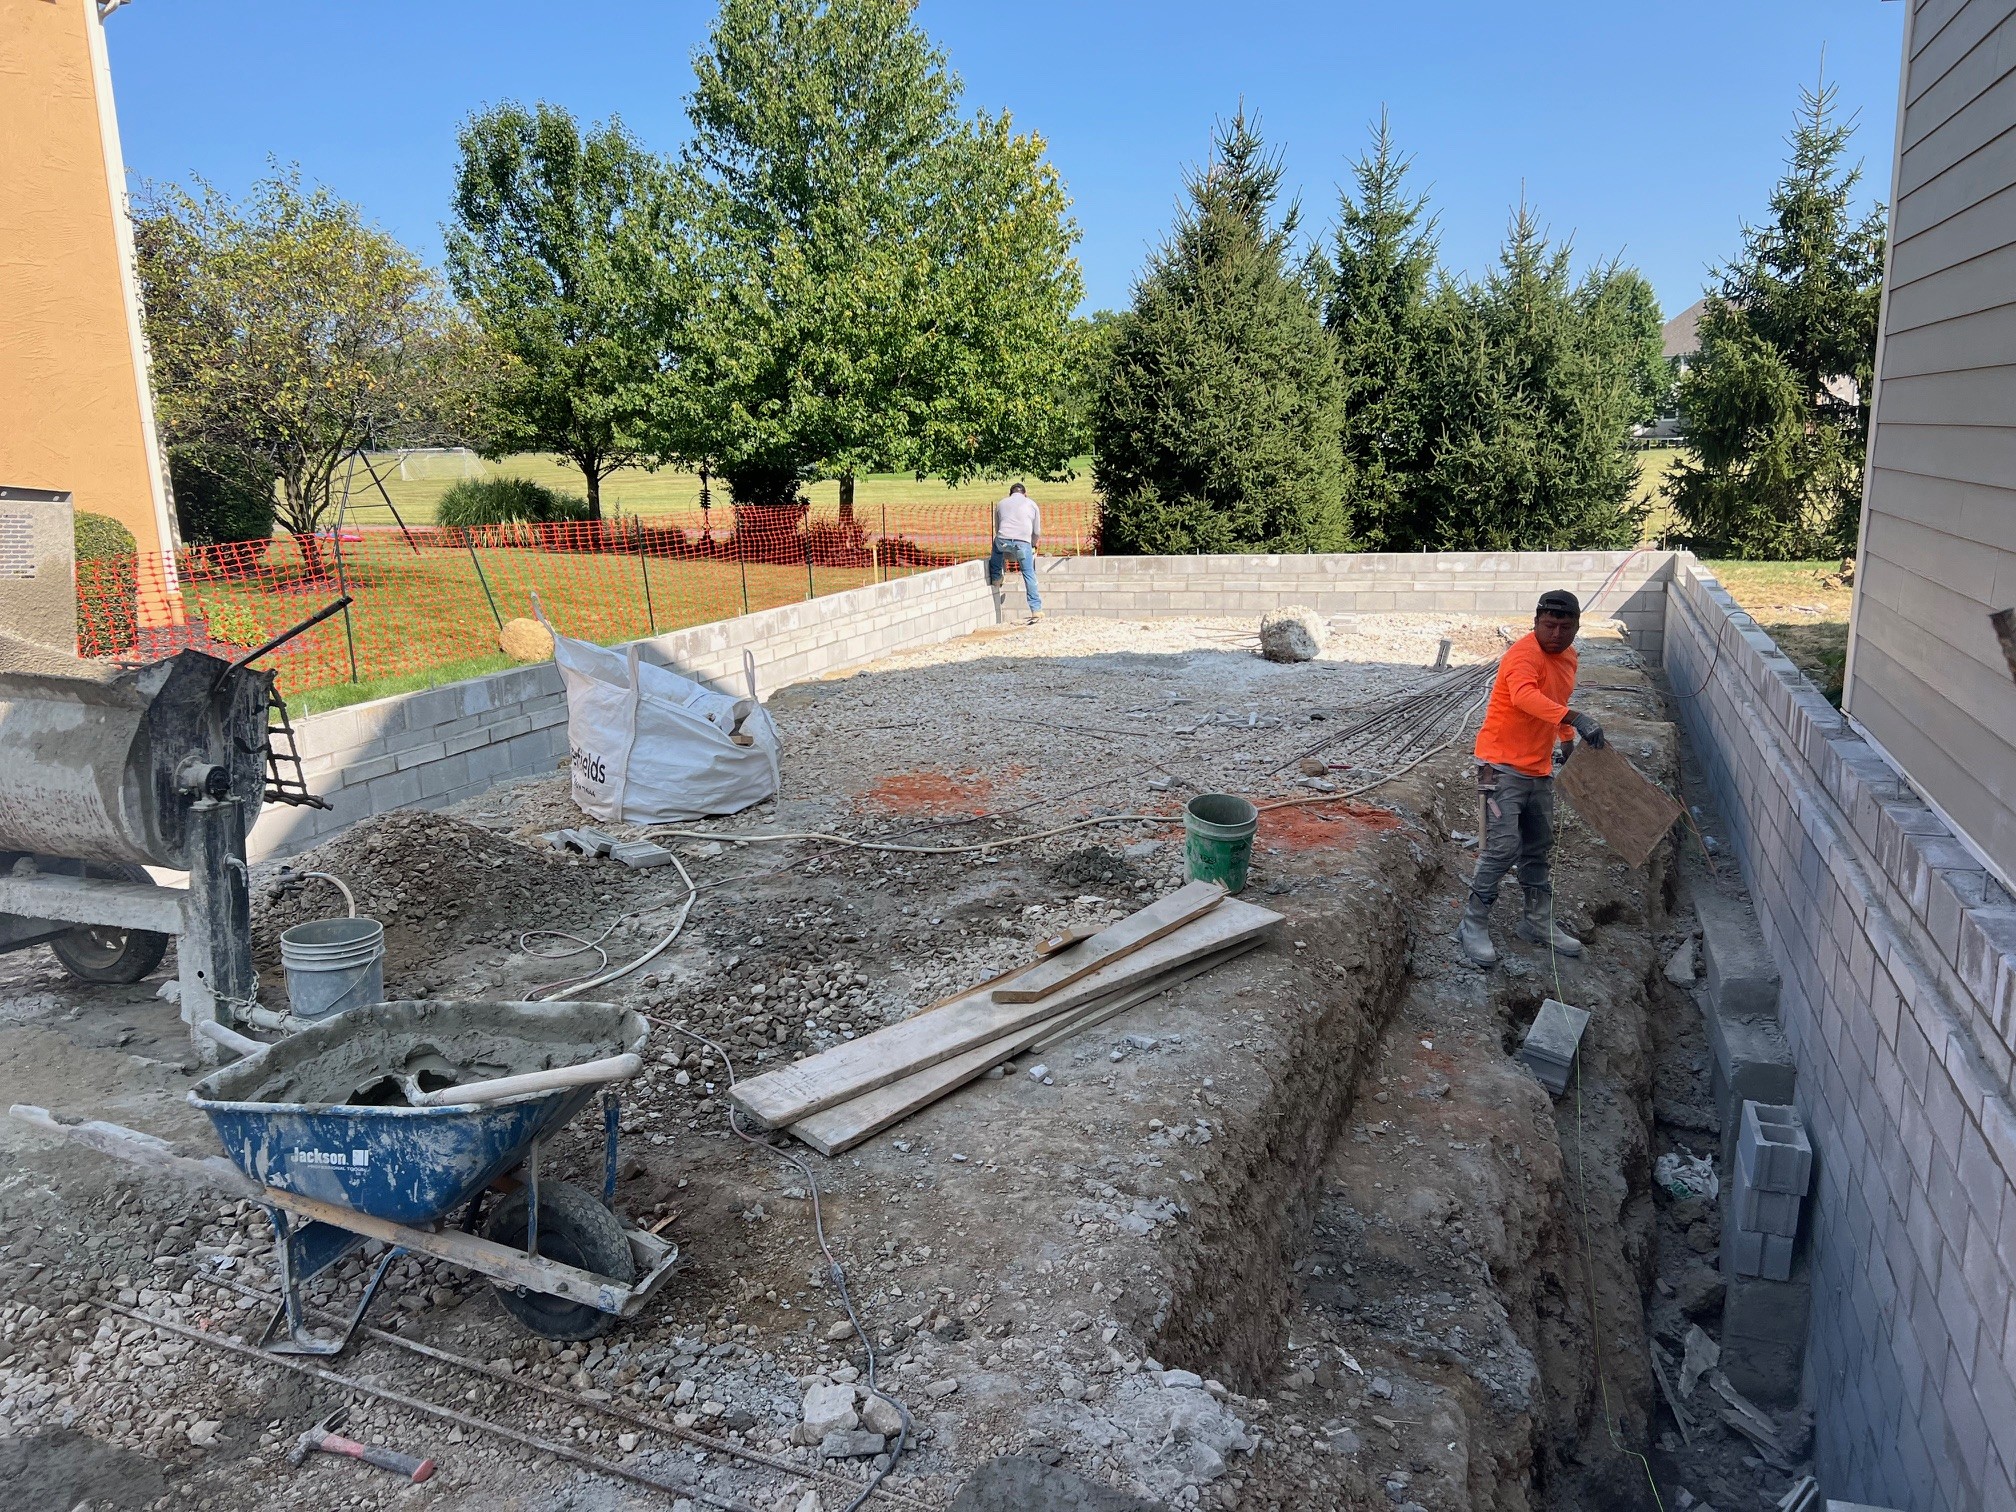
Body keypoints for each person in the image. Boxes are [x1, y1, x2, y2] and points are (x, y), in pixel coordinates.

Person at [1455, 589, 1607, 969]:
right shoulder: (1523, 655)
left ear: (1577, 627)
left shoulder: (1568, 657)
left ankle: (1536, 922)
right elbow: (1525, 696)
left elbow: (1556, 697)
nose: (1555, 634)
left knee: (1538, 846)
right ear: (1536, 622)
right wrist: (1575, 719)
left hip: (1538, 767)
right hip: (1499, 766)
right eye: (1548, 625)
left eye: (1564, 627)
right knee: (1503, 847)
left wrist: (1566, 740)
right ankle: (1472, 923)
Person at [987, 483, 1042, 621]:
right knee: (1028, 573)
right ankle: (1036, 609)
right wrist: (1033, 544)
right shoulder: (1032, 504)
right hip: (1023, 543)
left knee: (997, 549)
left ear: (1010, 494)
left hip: (1003, 540)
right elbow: (1036, 531)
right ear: (1025, 493)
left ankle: (996, 577)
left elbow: (998, 529)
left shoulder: (1001, 503)